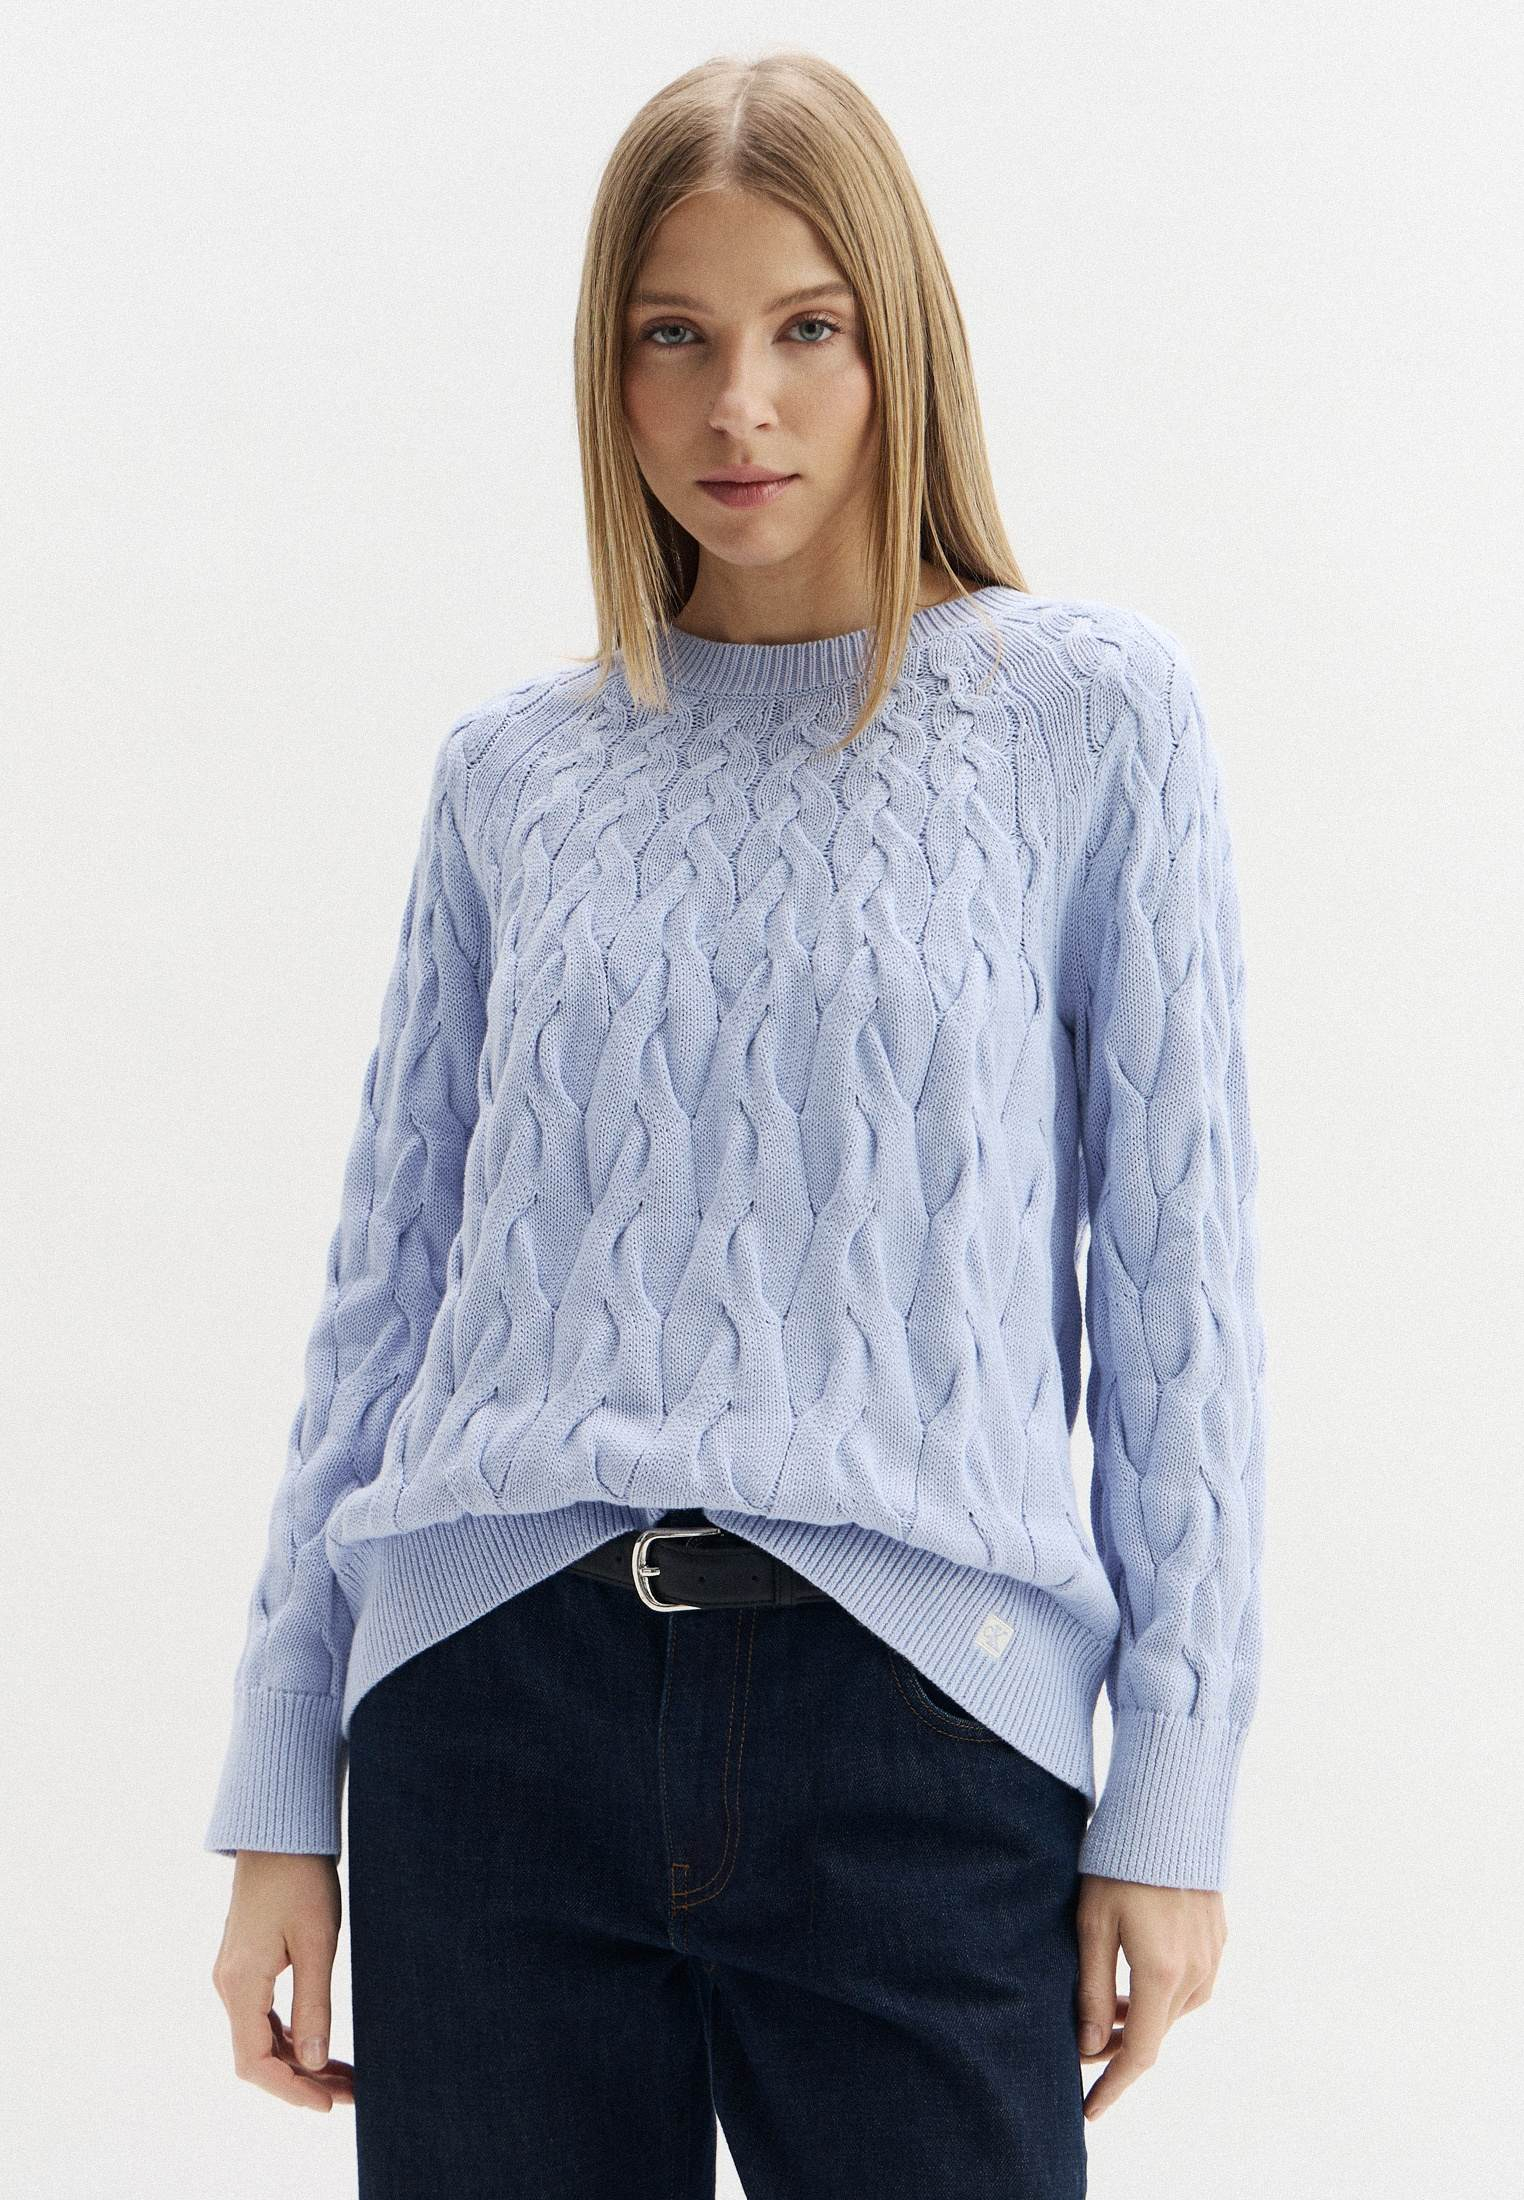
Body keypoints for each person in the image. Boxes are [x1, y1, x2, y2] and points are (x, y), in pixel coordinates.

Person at [206, 47, 1267, 2197]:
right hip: (489, 1712)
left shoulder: (1089, 718)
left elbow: (1180, 1294)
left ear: (900, 342)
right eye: (672, 337)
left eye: (807, 330)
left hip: (923, 1725)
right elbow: (387, 1295)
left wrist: (1173, 1795)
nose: (738, 408)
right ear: (606, 371)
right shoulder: (516, 773)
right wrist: (276, 1790)